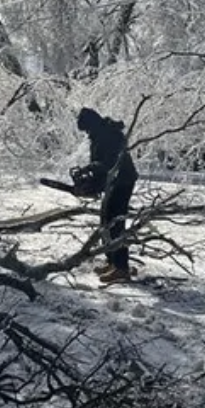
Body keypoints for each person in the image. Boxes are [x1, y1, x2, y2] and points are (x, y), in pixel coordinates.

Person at [74, 107, 139, 284]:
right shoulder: (99, 134)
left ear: (91, 124)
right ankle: (112, 261)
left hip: (123, 181)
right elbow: (102, 166)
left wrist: (90, 168)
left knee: (116, 223)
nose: (86, 133)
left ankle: (122, 268)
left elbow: (109, 164)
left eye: (86, 129)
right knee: (106, 221)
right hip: (113, 182)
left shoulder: (109, 135)